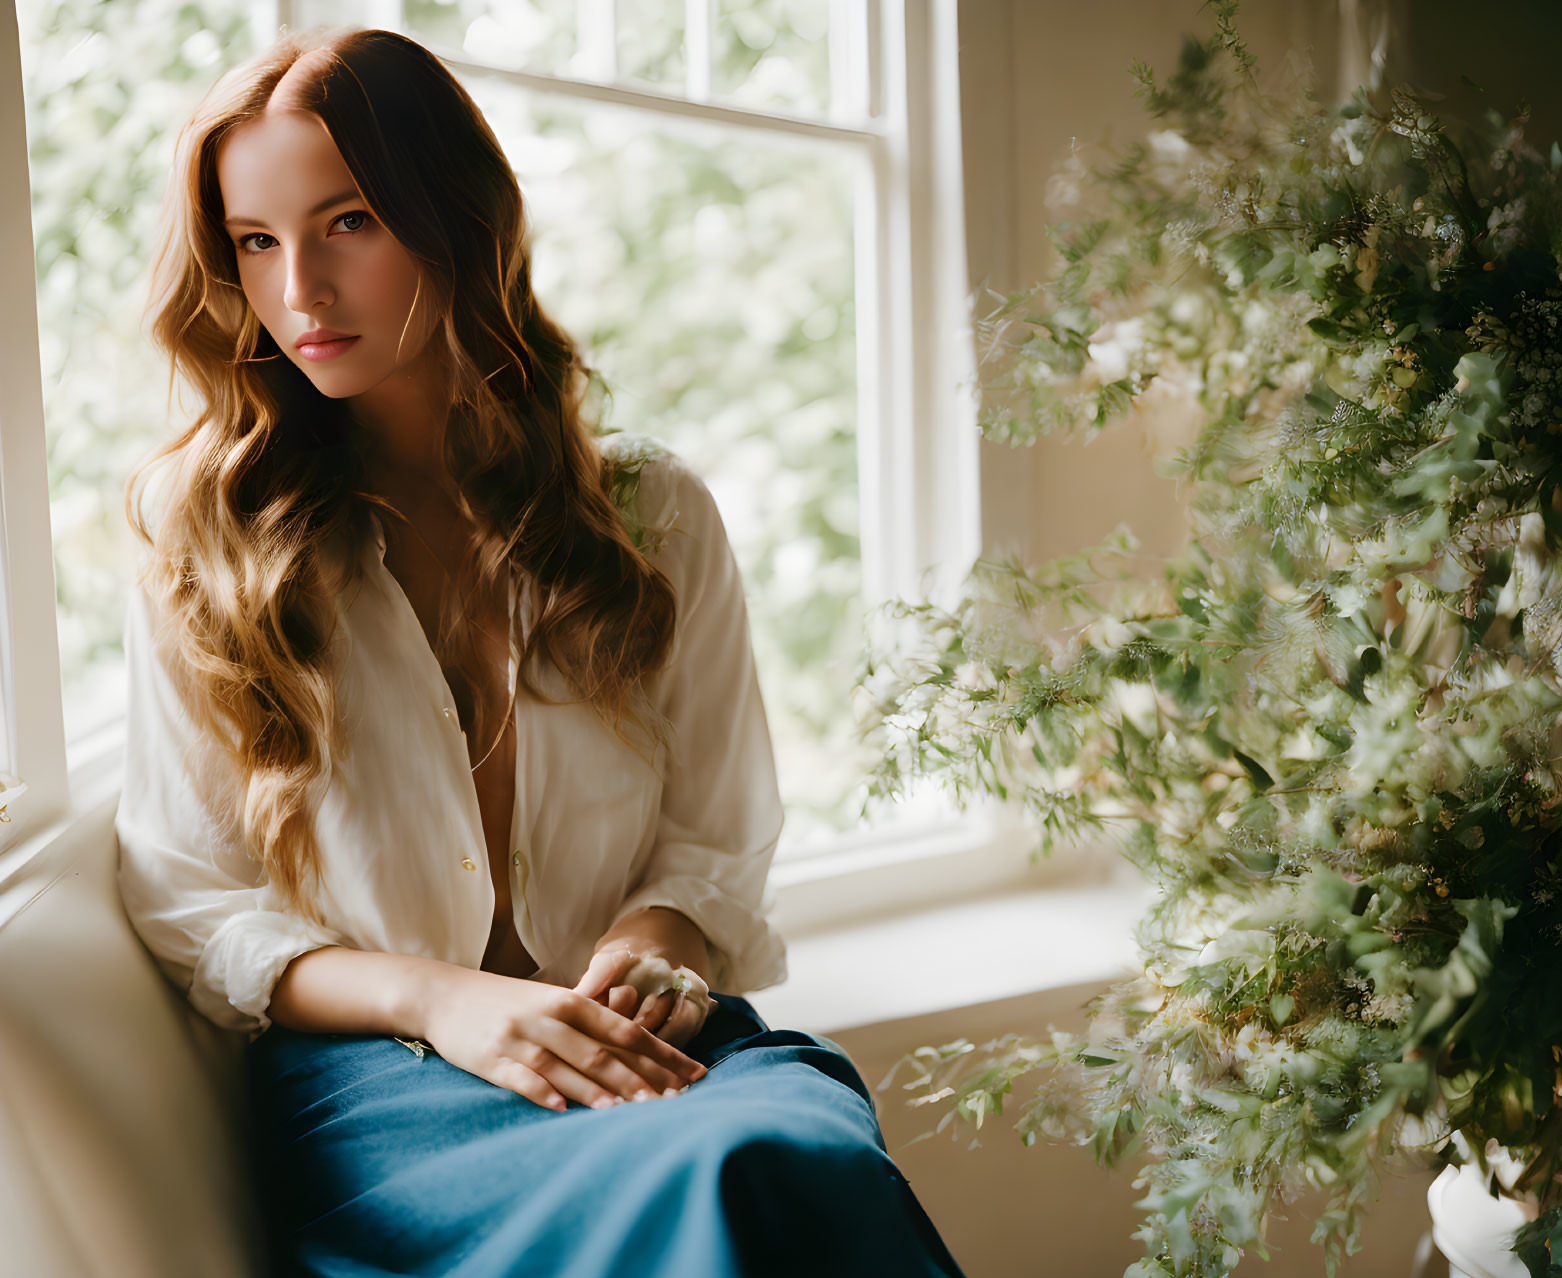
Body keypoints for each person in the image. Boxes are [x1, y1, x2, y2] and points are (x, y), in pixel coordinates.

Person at [113, 25, 966, 1278]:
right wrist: (443, 999)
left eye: (346, 222)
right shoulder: (212, 540)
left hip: (650, 1043)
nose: (298, 290)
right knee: (736, 1187)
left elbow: (716, 841)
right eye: (255, 242)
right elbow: (193, 899)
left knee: (793, 1157)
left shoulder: (653, 519)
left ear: (454, 217)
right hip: (392, 1098)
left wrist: (648, 950)